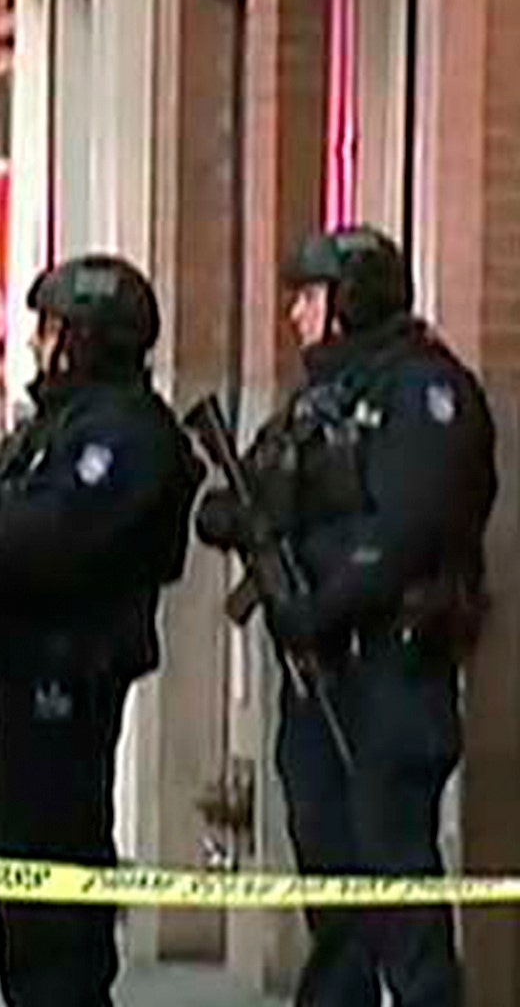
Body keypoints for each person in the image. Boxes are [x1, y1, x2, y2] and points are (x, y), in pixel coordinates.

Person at [194, 226, 493, 1007]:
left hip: (391, 666)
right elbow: (247, 490)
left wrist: (319, 599)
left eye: (311, 297)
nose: (296, 314)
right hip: (317, 668)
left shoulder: (426, 393)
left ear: (351, 302)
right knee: (330, 874)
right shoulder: (317, 401)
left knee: (395, 880)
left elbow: (409, 527)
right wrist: (242, 522)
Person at [0, 256, 203, 1006]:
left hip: (67, 675)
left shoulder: (124, 433)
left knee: (56, 868)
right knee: (17, 864)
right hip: (19, 669)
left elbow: (49, 536)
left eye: (54, 330)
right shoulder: (60, 424)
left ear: (91, 339)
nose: (39, 344)